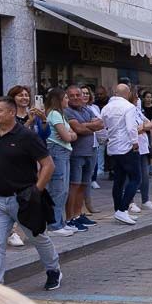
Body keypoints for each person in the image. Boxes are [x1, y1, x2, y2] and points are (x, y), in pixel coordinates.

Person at [0, 96, 62, 290]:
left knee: (38, 237)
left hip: (23, 198)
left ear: (11, 112)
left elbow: (48, 165)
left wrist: (36, 192)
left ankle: (53, 270)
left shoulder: (26, 136)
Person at [101, 83, 142, 225]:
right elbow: (131, 127)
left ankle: (118, 210)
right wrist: (135, 142)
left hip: (113, 148)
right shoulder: (129, 107)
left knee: (118, 180)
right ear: (128, 93)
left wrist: (104, 140)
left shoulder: (106, 107)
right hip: (126, 147)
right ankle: (123, 210)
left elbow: (103, 127)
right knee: (136, 178)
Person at [64, 84, 102, 229]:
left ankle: (78, 215)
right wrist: (90, 126)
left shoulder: (87, 109)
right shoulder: (67, 111)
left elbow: (100, 124)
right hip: (76, 154)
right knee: (74, 185)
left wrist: (86, 126)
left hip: (91, 152)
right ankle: (69, 218)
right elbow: (78, 129)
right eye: (71, 95)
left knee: (84, 185)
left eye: (77, 95)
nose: (75, 98)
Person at [43, 87, 78, 237]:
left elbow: (72, 135)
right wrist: (70, 134)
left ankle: (60, 222)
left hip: (64, 152)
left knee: (63, 189)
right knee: (58, 189)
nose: (67, 100)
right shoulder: (55, 114)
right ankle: (54, 225)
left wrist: (71, 134)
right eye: (65, 98)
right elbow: (67, 136)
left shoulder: (61, 115)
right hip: (57, 152)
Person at [132, 90, 152, 212]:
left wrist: (141, 128)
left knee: (145, 175)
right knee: (133, 176)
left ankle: (145, 200)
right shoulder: (127, 111)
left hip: (143, 147)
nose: (138, 100)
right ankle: (130, 202)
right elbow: (131, 129)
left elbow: (150, 124)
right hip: (132, 147)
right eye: (135, 97)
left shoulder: (138, 112)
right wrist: (142, 128)